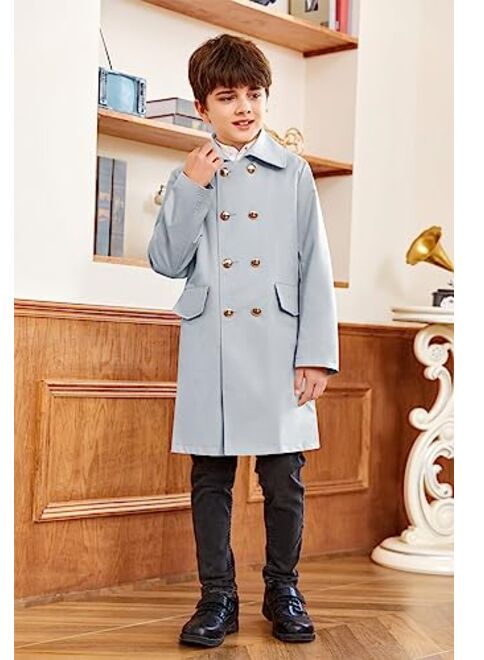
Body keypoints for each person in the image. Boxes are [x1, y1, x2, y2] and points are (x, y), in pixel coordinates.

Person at [148, 33, 339, 647]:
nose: (245, 107)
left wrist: (317, 355)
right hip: (213, 345)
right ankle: (217, 597)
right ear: (202, 107)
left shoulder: (294, 172)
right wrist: (191, 187)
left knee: (285, 477)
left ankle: (284, 590)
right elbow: (166, 261)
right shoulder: (191, 173)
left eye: (254, 94)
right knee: (211, 477)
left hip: (279, 345)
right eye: (228, 96)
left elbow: (314, 265)